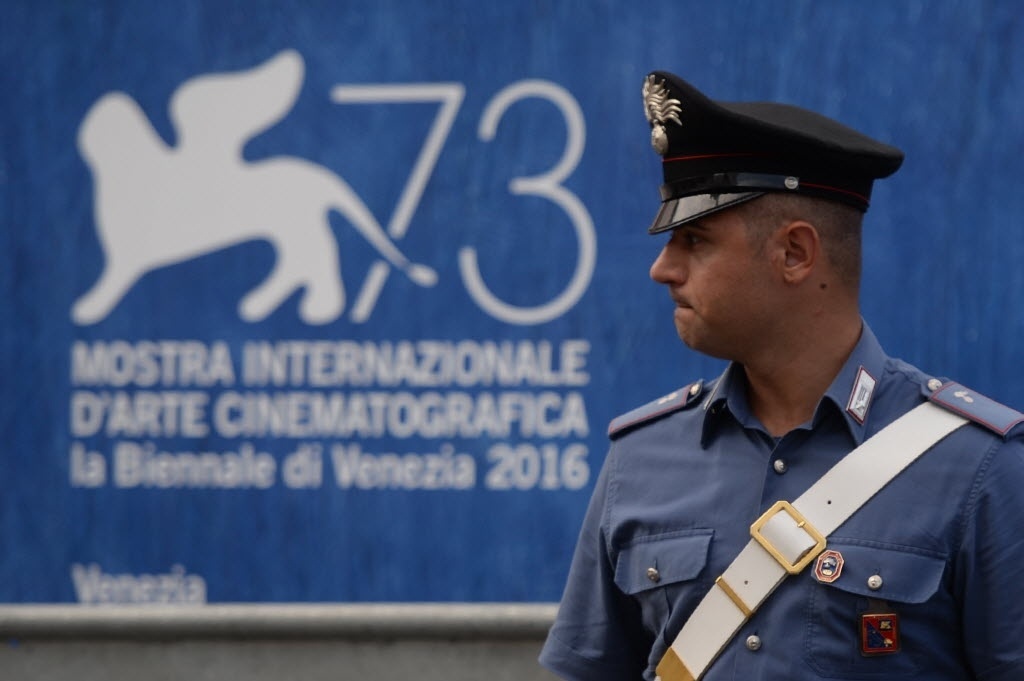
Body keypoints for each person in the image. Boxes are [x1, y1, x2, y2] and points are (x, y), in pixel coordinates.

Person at [539, 70, 1024, 681]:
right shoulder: (639, 460)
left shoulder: (981, 471)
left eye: (695, 239)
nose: (662, 268)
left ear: (795, 253)